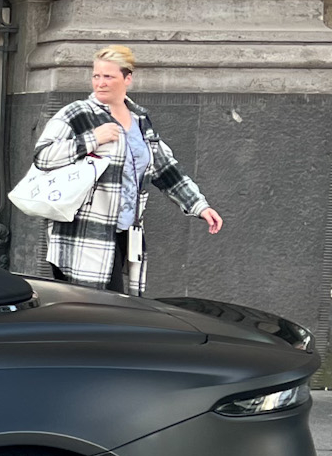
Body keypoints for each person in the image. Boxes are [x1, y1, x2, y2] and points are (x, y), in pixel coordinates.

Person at [32, 44, 224, 295]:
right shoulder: (77, 114)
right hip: (83, 234)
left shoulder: (140, 120)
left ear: (127, 79)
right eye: (96, 76)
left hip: (125, 233)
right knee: (100, 314)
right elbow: (42, 155)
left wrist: (200, 206)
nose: (100, 83)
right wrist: (92, 138)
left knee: (115, 310)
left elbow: (164, 167)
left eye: (108, 76)